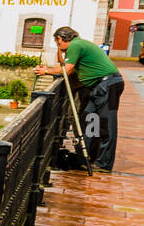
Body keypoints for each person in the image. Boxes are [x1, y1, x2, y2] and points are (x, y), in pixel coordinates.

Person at [36, 26, 125, 171]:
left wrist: (45, 70)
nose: (58, 45)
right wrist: (60, 49)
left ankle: (105, 164)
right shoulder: (77, 45)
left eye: (57, 42)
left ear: (61, 38)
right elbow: (63, 63)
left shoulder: (76, 45)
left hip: (108, 85)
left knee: (107, 125)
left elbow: (67, 69)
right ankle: (84, 158)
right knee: (89, 120)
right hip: (98, 87)